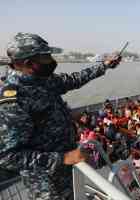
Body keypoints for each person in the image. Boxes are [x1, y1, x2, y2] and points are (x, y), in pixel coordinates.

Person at [0, 33, 121, 200]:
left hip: (65, 171)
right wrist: (63, 158)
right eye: (46, 57)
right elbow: (7, 157)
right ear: (29, 63)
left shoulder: (42, 79)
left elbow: (73, 79)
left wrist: (105, 65)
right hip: (47, 183)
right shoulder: (13, 100)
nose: (51, 60)